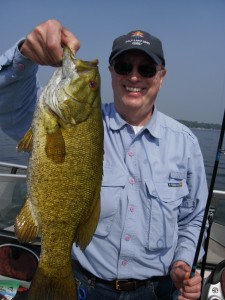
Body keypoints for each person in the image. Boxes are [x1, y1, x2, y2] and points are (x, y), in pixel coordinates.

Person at [0, 19, 208, 300]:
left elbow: (194, 218)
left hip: (156, 291)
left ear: (161, 76)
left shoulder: (186, 143)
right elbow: (10, 105)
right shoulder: (71, 120)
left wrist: (183, 262)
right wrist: (25, 54)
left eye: (146, 69)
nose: (134, 77)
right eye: (124, 67)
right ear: (111, 72)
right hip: (86, 285)